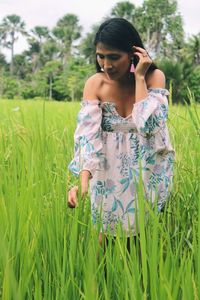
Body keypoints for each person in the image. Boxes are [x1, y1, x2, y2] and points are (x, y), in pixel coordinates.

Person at [67, 18, 175, 245]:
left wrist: (139, 78)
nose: (106, 64)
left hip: (147, 169)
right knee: (104, 237)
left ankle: (143, 280)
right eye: (101, 56)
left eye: (114, 57)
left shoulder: (154, 77)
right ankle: (98, 281)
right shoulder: (95, 84)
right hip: (107, 170)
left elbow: (150, 126)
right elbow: (88, 137)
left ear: (133, 54)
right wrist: (84, 182)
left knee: (143, 239)